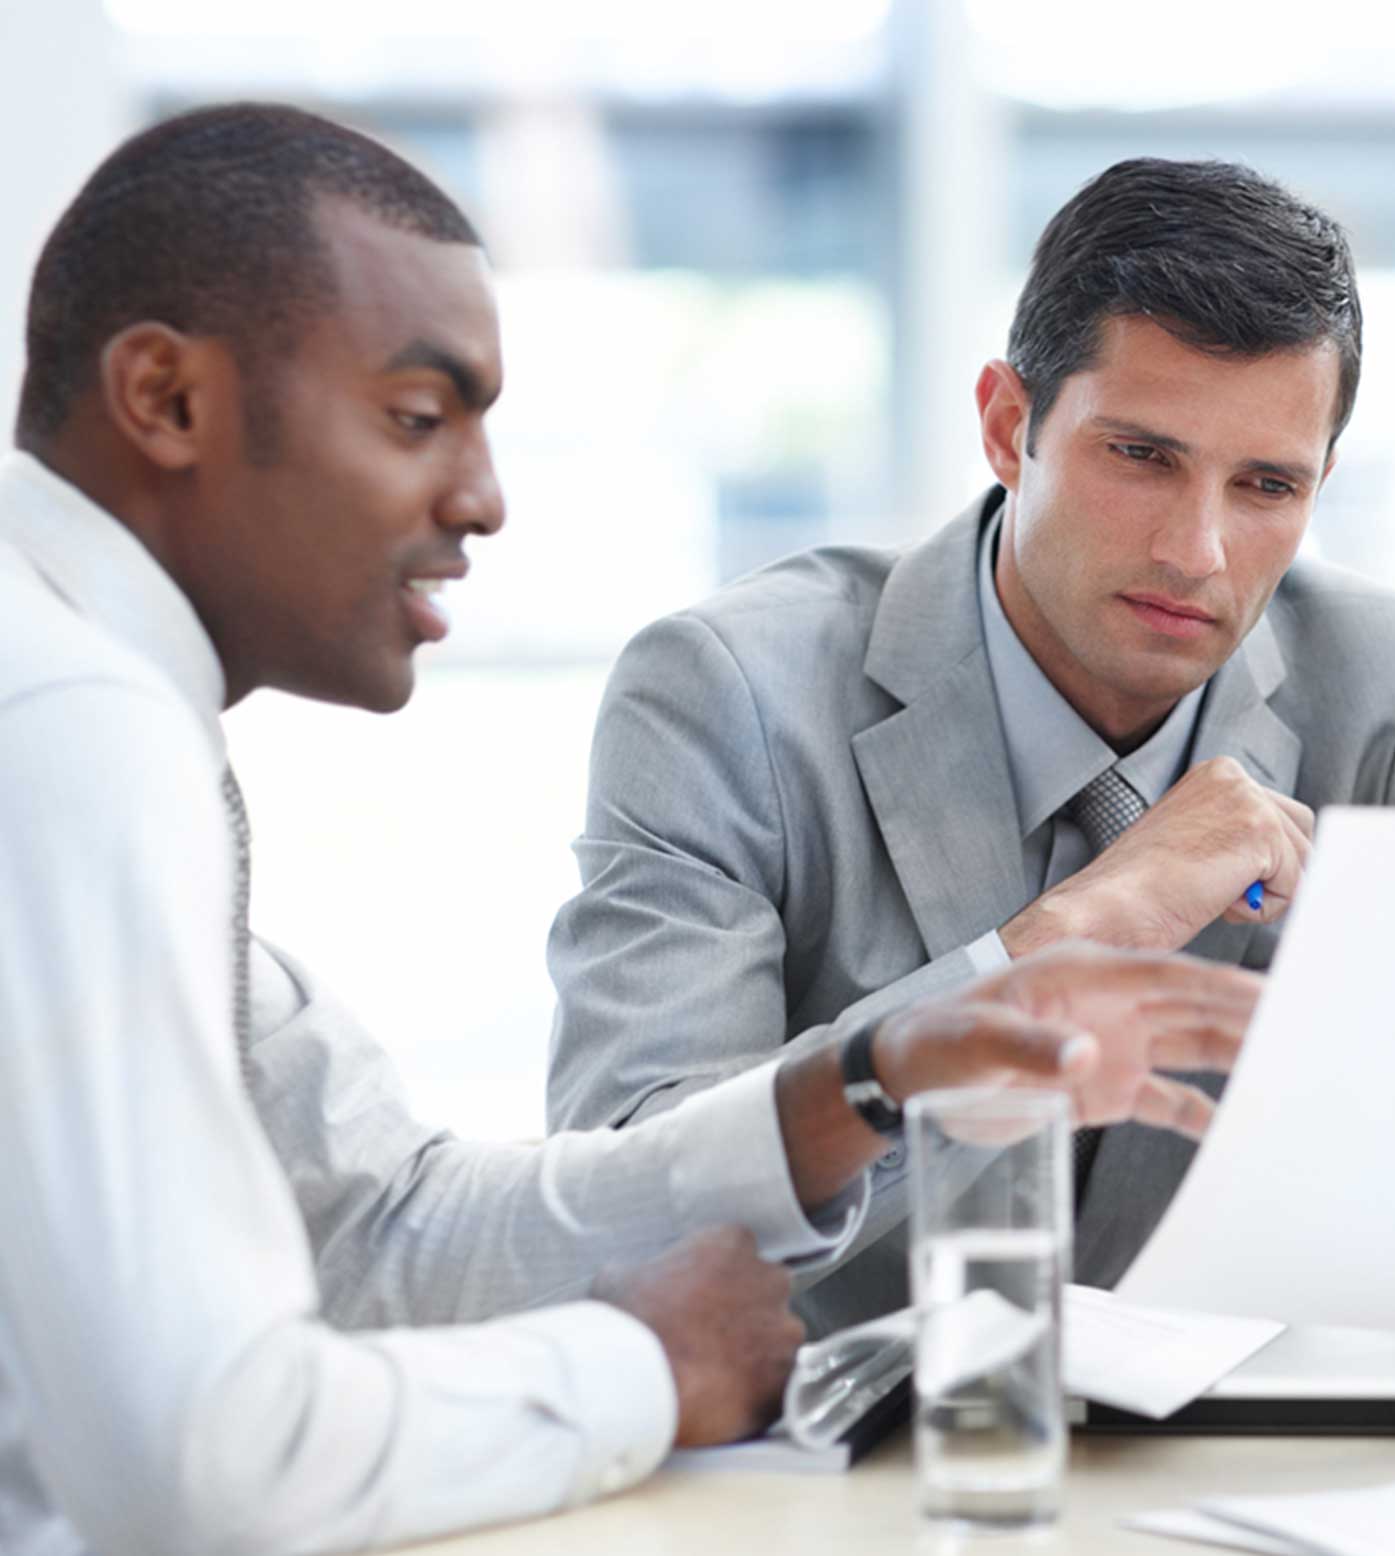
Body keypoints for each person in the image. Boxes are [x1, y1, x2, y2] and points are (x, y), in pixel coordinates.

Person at [0, 105, 1263, 1556]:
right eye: (421, 418)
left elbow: (380, 1223)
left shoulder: (71, 689)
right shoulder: (69, 725)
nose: (483, 500)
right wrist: (642, 1374)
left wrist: (861, 1081)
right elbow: (204, 1464)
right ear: (165, 399)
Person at [545, 157, 1395, 1336]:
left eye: (1266, 484)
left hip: (1243, 1457)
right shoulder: (729, 692)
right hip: (848, 1475)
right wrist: (1068, 933)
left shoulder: (1385, 681)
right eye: (1141, 456)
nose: (1198, 550)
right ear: (1011, 427)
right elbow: (622, 1205)